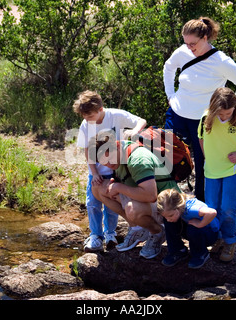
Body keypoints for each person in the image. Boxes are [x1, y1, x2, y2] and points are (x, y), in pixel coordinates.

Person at [163, 17, 236, 202]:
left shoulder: (221, 61)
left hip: (202, 120)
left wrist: (228, 112)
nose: (189, 47)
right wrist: (170, 95)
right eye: (186, 43)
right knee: (163, 156)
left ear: (205, 37)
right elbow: (169, 67)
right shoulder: (182, 52)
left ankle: (202, 206)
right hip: (177, 114)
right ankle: (167, 202)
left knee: (203, 163)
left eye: (193, 43)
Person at [73, 90, 147, 252]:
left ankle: (110, 234)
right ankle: (95, 235)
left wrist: (134, 132)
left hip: (117, 170)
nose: (87, 120)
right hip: (97, 171)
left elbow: (141, 121)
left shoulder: (116, 115)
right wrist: (94, 173)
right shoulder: (86, 124)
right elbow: (87, 150)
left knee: (112, 205)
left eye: (90, 116)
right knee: (92, 203)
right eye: (84, 117)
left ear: (100, 109)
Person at [90, 130, 180, 259]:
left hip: (168, 204)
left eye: (110, 158)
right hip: (147, 199)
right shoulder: (119, 154)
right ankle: (137, 228)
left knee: (132, 209)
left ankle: (158, 232)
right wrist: (115, 184)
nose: (109, 164)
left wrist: (118, 187)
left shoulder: (138, 159)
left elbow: (151, 196)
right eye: (104, 162)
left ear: (116, 145)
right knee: (97, 188)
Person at [198, 87, 236, 262]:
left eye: (228, 113)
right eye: (221, 114)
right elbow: (201, 137)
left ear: (235, 108)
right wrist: (206, 156)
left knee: (228, 208)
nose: (224, 117)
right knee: (212, 207)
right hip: (211, 170)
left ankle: (230, 240)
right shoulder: (205, 118)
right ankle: (218, 238)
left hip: (232, 170)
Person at [157, 188, 219, 269]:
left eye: (170, 215)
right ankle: (178, 250)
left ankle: (200, 253)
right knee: (168, 222)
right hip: (193, 229)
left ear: (178, 207)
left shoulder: (190, 209)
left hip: (209, 234)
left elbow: (212, 212)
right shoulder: (177, 208)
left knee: (193, 228)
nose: (168, 218)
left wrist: (200, 224)